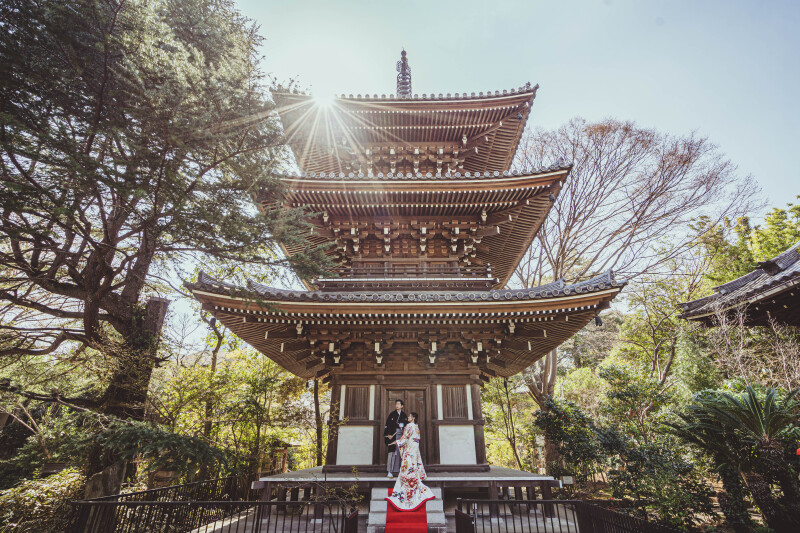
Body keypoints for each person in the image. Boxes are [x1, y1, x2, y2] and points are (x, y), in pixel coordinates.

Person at [385, 412, 435, 511]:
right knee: (413, 467)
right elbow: (415, 439)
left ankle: (406, 486)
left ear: (413, 418)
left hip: (409, 450)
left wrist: (396, 442)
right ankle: (413, 482)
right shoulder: (416, 427)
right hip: (415, 450)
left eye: (409, 416)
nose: (408, 417)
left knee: (406, 468)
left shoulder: (409, 426)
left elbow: (405, 438)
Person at [384, 399, 408, 478]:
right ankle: (390, 471)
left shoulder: (404, 416)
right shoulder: (392, 415)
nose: (397, 405)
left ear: (402, 406)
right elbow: (387, 425)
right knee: (392, 453)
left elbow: (406, 427)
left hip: (401, 437)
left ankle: (401, 472)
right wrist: (388, 435)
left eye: (398, 404)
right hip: (393, 436)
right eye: (396, 404)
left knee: (401, 454)